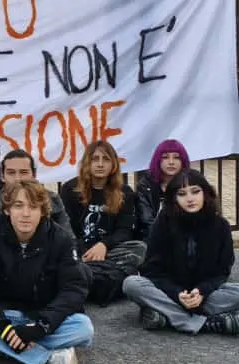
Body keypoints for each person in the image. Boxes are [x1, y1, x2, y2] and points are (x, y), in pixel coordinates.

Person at [0, 180, 93, 364]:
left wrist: (41, 326)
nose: (26, 214)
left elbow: (74, 288)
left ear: (43, 212)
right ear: (7, 210)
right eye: (18, 206)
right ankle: (49, 357)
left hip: (40, 316)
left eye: (33, 207)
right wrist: (2, 327)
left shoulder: (60, 239)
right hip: (3, 315)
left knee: (84, 328)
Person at [123, 169, 239, 335]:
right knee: (131, 284)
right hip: (171, 293)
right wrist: (178, 294)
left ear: (206, 193)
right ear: (174, 198)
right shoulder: (163, 222)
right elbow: (152, 271)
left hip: (204, 295)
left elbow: (222, 271)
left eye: (195, 191)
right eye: (182, 193)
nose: (190, 198)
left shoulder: (220, 226)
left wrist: (201, 291)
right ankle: (206, 323)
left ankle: (165, 316)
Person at [60, 141, 146, 304]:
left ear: (113, 164)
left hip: (110, 252)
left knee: (140, 249)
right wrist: (85, 252)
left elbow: (124, 230)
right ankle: (110, 281)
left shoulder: (124, 193)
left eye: (105, 159)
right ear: (87, 162)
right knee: (62, 254)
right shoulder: (70, 189)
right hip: (79, 251)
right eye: (95, 159)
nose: (100, 164)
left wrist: (104, 246)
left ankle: (89, 279)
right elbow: (66, 229)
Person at [0, 149, 72, 240]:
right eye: (11, 173)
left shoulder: (51, 199)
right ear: (2, 176)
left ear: (34, 175)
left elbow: (68, 239)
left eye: (23, 172)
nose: (17, 178)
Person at [135, 139, 190, 240]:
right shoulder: (145, 185)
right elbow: (146, 220)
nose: (171, 162)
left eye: (176, 157)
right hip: (152, 239)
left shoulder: (191, 183)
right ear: (158, 160)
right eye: (165, 157)